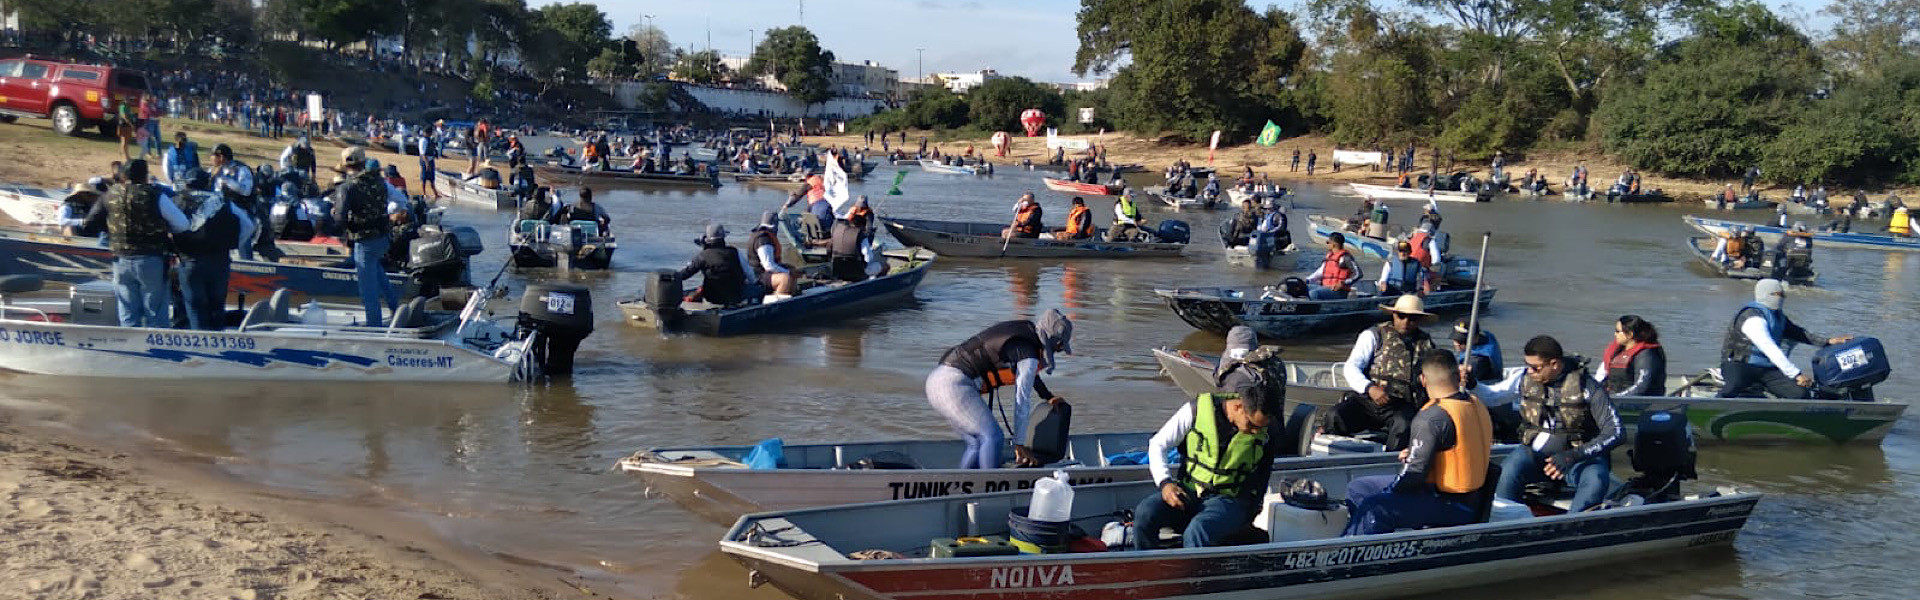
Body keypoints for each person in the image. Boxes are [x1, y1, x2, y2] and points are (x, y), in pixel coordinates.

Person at [1134, 327, 1286, 549]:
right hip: (1189, 490)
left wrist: (1251, 512)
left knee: (1198, 531)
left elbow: (1262, 476)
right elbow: (1158, 444)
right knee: (1145, 514)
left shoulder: (1266, 431)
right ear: (1238, 405)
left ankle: (1194, 579)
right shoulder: (1195, 410)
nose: (1256, 432)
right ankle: (1145, 568)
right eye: (1252, 425)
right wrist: (1166, 484)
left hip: (1229, 501)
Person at [1342, 349, 1494, 535]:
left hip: (1451, 504)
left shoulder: (1431, 417)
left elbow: (1413, 475)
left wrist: (1390, 492)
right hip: (1471, 497)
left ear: (1423, 380)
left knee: (1376, 507)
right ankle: (1376, 535)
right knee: (1359, 488)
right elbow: (1456, 449)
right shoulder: (1475, 403)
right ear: (1456, 375)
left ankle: (1357, 552)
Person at [1471, 336, 1620, 513]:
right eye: (1527, 365)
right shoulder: (1524, 378)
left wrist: (1573, 456)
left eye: (1535, 367)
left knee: (1596, 478)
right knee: (1508, 470)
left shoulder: (1587, 387)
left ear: (1554, 364)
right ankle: (1508, 518)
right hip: (1536, 456)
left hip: (1579, 459)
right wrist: (1473, 384)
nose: (1530, 371)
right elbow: (1493, 397)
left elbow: (1615, 431)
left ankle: (1573, 525)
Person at [924, 310, 1074, 470]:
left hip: (937, 381)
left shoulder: (1023, 337)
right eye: (1059, 347)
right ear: (1052, 341)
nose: (1058, 351)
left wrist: (1047, 396)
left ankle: (964, 488)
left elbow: (1028, 375)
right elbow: (1022, 400)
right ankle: (993, 488)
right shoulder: (1028, 355)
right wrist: (1019, 444)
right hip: (953, 385)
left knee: (976, 443)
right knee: (994, 437)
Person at [1326, 295, 1437, 450]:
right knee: (1335, 415)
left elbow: (1436, 374)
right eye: (1402, 316)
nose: (1406, 322)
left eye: (1412, 318)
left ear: (1419, 320)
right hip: (1367, 401)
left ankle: (1391, 464)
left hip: (1402, 405)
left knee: (1404, 425)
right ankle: (1334, 456)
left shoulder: (1427, 344)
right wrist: (1370, 388)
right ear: (1394, 314)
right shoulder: (1374, 335)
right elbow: (1351, 367)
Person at [91, 160, 187, 328]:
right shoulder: (155, 194)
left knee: (128, 315)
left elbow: (90, 222)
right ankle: (159, 351)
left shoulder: (110, 195)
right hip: (151, 259)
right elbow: (182, 224)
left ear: (123, 175)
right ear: (145, 175)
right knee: (155, 314)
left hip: (120, 259)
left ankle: (132, 351)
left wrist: (111, 231)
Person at [1717, 279, 1849, 398]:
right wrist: (1796, 374)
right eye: (1777, 295)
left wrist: (1827, 341)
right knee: (1733, 388)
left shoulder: (1778, 316)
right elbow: (1770, 349)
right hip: (1739, 365)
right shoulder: (1752, 318)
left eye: (1782, 295)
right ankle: (1715, 403)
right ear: (1765, 294)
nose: (1781, 298)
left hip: (1766, 370)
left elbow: (1799, 333)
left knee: (1800, 394)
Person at [171, 177, 256, 331]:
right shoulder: (222, 200)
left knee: (196, 309)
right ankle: (218, 343)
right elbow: (249, 225)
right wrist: (234, 244)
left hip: (191, 261)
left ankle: (201, 349)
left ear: (187, 185)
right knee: (217, 309)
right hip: (220, 261)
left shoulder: (178, 200)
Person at [330, 147, 400, 326]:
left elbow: (339, 218)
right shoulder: (380, 182)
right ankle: (396, 308)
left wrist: (343, 229)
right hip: (384, 238)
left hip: (365, 241)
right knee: (378, 273)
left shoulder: (348, 187)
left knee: (367, 290)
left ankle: (374, 327)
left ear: (346, 167)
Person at [674, 223, 754, 306]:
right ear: (723, 238)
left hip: (712, 298)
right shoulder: (735, 252)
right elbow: (750, 275)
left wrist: (669, 278)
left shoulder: (702, 256)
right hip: (736, 297)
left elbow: (684, 274)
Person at [1596, 315, 1665, 397]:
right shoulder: (1618, 350)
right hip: (1613, 397)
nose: (1615, 334)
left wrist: (1616, 398)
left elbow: (1641, 387)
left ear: (1630, 334)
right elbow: (1604, 377)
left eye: (1618, 331)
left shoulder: (1646, 355)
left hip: (1638, 402)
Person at [747, 211, 797, 301]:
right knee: (785, 278)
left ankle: (791, 295)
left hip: (764, 273)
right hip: (759, 275)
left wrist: (789, 269)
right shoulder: (763, 240)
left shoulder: (763, 235)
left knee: (792, 268)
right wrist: (788, 272)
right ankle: (774, 303)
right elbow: (768, 266)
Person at [1304, 233, 1363, 300]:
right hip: (1325, 287)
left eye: (1328, 242)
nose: (1327, 244)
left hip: (1338, 291)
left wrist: (1343, 283)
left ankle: (1315, 309)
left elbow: (1358, 274)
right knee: (1302, 288)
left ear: (1333, 244)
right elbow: (1319, 272)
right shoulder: (1329, 257)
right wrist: (1307, 280)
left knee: (1313, 293)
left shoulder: (1346, 258)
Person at [829, 197, 875, 282]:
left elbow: (829, 250)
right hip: (856, 271)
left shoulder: (837, 232)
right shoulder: (861, 236)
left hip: (837, 269)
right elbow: (868, 258)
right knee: (881, 266)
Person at [418, 132, 442, 198]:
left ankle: (435, 194)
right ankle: (424, 193)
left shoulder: (430, 140)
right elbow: (422, 153)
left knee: (432, 177)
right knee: (424, 177)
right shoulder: (423, 140)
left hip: (431, 160)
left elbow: (434, 148)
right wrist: (426, 163)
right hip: (425, 160)